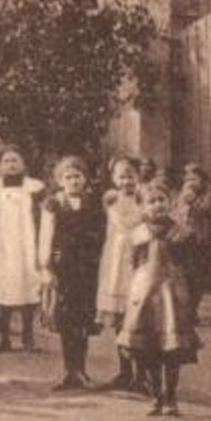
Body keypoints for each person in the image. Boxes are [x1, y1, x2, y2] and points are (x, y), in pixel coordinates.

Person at [119, 180, 202, 416]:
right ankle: (156, 396)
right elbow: (132, 265)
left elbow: (192, 268)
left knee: (172, 349)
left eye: (161, 200)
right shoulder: (137, 235)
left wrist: (191, 299)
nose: (157, 205)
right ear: (142, 207)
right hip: (145, 296)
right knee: (148, 349)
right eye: (151, 201)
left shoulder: (181, 234)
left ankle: (171, 396)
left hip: (173, 298)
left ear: (170, 203)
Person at [38, 156, 106, 391]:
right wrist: (46, 267)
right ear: (60, 180)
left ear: (85, 179)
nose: (73, 181)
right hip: (64, 267)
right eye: (68, 177)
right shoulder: (53, 204)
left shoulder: (93, 203)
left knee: (83, 320)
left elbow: (101, 234)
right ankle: (69, 371)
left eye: (77, 176)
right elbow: (45, 236)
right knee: (66, 320)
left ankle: (81, 369)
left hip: (87, 268)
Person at [95, 156, 145, 392]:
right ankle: (125, 371)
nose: (126, 181)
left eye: (130, 175)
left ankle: (142, 374)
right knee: (119, 318)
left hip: (140, 260)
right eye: (121, 176)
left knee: (139, 317)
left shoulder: (144, 198)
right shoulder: (111, 200)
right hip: (116, 262)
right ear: (114, 179)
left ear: (138, 176)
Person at [0, 145, 42, 354]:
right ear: (0, 165)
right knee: (5, 290)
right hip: (5, 246)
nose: (11, 164)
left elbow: (39, 219)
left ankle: (28, 336)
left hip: (28, 245)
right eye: (7, 161)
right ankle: (5, 337)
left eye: (15, 160)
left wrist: (39, 247)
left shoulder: (34, 187)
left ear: (23, 163)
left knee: (29, 288)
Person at [171, 163, 211, 321]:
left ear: (202, 181)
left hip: (200, 241)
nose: (190, 182)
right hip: (184, 241)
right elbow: (175, 212)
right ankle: (186, 310)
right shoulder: (181, 195)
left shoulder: (206, 196)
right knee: (185, 276)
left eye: (195, 178)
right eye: (188, 178)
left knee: (198, 277)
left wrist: (192, 201)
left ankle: (193, 309)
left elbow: (205, 209)